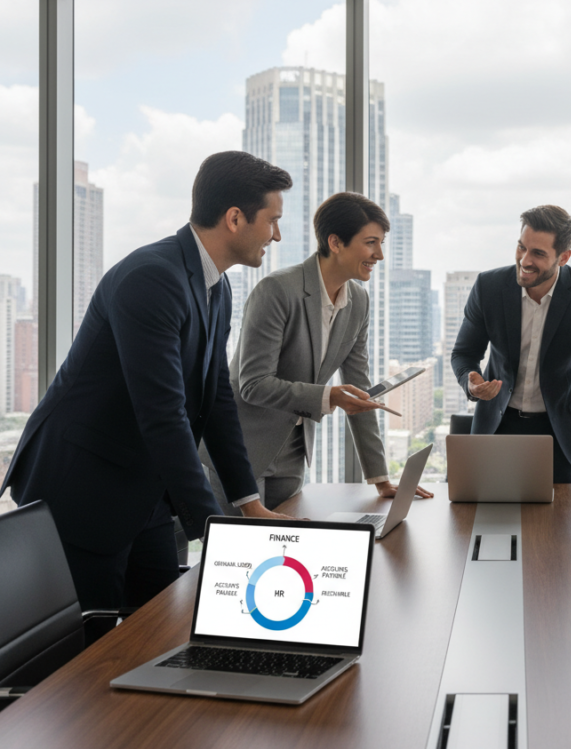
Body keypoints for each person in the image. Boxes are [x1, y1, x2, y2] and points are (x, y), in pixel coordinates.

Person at [1, 151, 293, 616]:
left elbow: (217, 397)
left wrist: (247, 502)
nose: (276, 235)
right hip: (83, 488)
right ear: (235, 218)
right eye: (272, 220)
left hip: (143, 487)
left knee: (161, 623)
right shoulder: (152, 277)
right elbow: (163, 413)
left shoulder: (216, 287)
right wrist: (216, 530)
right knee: (89, 648)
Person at [205, 192, 432, 510]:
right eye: (370, 243)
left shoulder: (358, 301)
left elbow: (360, 388)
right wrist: (330, 397)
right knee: (238, 543)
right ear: (335, 242)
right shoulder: (278, 290)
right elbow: (254, 384)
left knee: (286, 543)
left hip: (294, 452)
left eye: (381, 243)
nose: (379, 255)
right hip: (241, 448)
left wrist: (380, 479)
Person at [450, 204, 571, 491]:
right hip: (498, 424)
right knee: (488, 514)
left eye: (538, 253)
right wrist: (470, 381)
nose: (524, 260)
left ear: (563, 257)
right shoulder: (489, 286)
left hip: (560, 432)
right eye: (521, 247)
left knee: (560, 518)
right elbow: (464, 354)